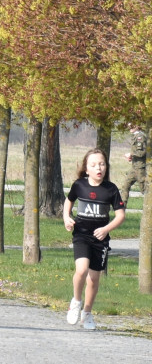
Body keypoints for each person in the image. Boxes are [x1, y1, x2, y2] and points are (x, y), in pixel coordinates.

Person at [63, 149, 126, 330]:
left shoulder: (111, 189)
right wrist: (66, 218)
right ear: (86, 168)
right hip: (81, 234)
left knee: (93, 278)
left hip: (100, 239)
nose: (98, 167)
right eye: (93, 165)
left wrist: (106, 229)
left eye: (102, 164)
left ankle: (87, 313)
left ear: (106, 166)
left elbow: (120, 215)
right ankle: (76, 301)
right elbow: (69, 201)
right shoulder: (79, 185)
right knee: (81, 270)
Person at [119, 124, 147, 205]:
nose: (129, 126)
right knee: (125, 186)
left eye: (132, 125)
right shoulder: (135, 136)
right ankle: (121, 208)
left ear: (137, 126)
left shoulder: (140, 137)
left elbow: (142, 153)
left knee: (144, 190)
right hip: (134, 168)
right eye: (129, 124)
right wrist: (131, 157)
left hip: (140, 169)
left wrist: (131, 154)